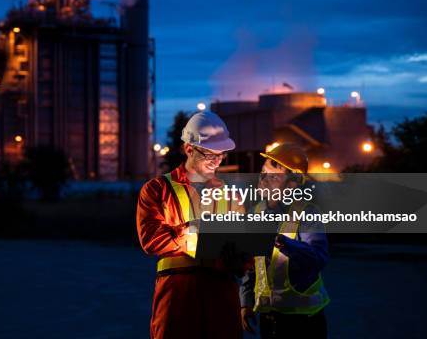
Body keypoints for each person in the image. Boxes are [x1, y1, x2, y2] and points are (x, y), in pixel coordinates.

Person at [137, 111, 247, 339]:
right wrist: (194, 232)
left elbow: (244, 249)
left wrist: (243, 256)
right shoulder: (158, 190)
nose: (216, 161)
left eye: (221, 155)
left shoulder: (232, 196)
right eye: (209, 154)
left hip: (222, 291)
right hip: (178, 293)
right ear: (189, 149)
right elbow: (150, 239)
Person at [240, 143, 330, 339]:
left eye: (272, 176)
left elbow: (319, 258)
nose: (263, 179)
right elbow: (252, 266)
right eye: (263, 172)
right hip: (269, 319)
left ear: (292, 185)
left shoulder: (306, 213)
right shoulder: (255, 212)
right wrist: (246, 302)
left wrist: (285, 243)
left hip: (304, 323)